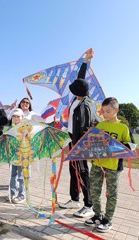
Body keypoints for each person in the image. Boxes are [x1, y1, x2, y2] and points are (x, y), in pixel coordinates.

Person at [84, 97, 134, 232]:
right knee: (94, 190)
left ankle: (107, 219)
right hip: (97, 164)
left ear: (116, 110)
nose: (104, 114)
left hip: (113, 166)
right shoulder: (100, 126)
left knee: (111, 193)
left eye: (107, 111)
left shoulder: (123, 128)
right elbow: (91, 145)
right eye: (103, 111)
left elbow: (131, 146)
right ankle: (97, 215)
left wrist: (114, 145)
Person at [58, 49, 95, 218]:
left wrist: (78, 146)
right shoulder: (78, 98)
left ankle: (89, 205)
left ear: (78, 92)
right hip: (73, 140)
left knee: (82, 171)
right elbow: (81, 79)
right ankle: (74, 199)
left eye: (73, 89)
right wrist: (86, 62)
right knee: (73, 171)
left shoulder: (86, 105)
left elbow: (86, 128)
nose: (71, 90)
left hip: (80, 144)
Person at [9, 108, 26, 203]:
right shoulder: (11, 128)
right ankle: (12, 193)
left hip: (23, 155)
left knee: (21, 176)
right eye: (14, 116)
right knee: (13, 175)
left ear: (22, 117)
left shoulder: (25, 128)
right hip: (13, 155)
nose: (16, 118)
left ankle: (22, 195)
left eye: (18, 116)